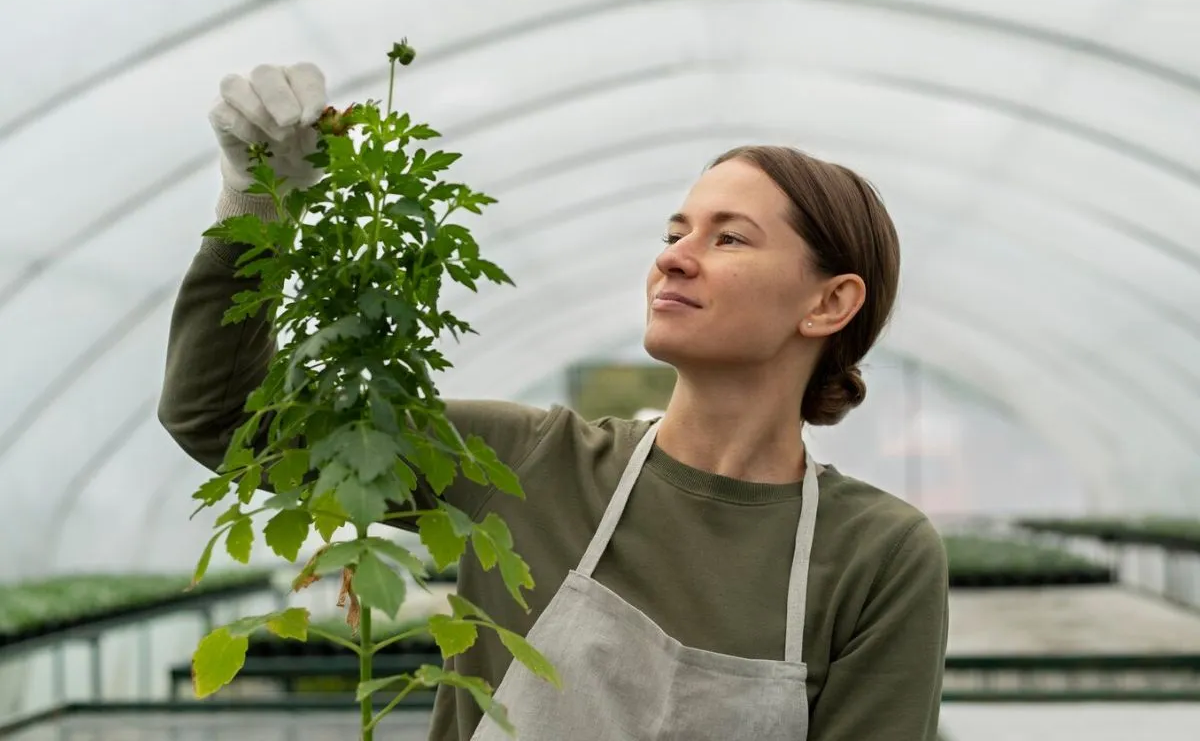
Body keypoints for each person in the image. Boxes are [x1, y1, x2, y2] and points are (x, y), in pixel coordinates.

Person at [160, 62, 949, 740]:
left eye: (728, 238)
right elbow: (228, 426)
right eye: (675, 232)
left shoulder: (877, 554)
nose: (674, 257)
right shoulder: (526, 461)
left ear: (829, 303)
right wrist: (256, 204)